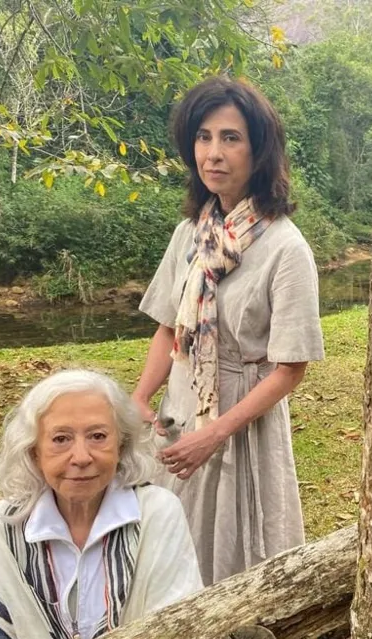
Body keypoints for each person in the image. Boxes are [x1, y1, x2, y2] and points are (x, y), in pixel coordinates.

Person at [132, 75, 325, 586]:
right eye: (204, 137)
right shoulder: (190, 234)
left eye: (230, 138)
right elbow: (167, 328)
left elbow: (289, 370)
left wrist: (213, 434)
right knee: (169, 536)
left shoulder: (286, 248)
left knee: (241, 549)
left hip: (241, 417)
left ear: (259, 151)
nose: (213, 153)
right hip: (181, 402)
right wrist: (140, 397)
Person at [0, 369, 204, 639]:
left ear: (122, 444)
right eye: (60, 439)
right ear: (33, 452)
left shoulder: (157, 514)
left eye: (98, 436)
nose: (82, 456)